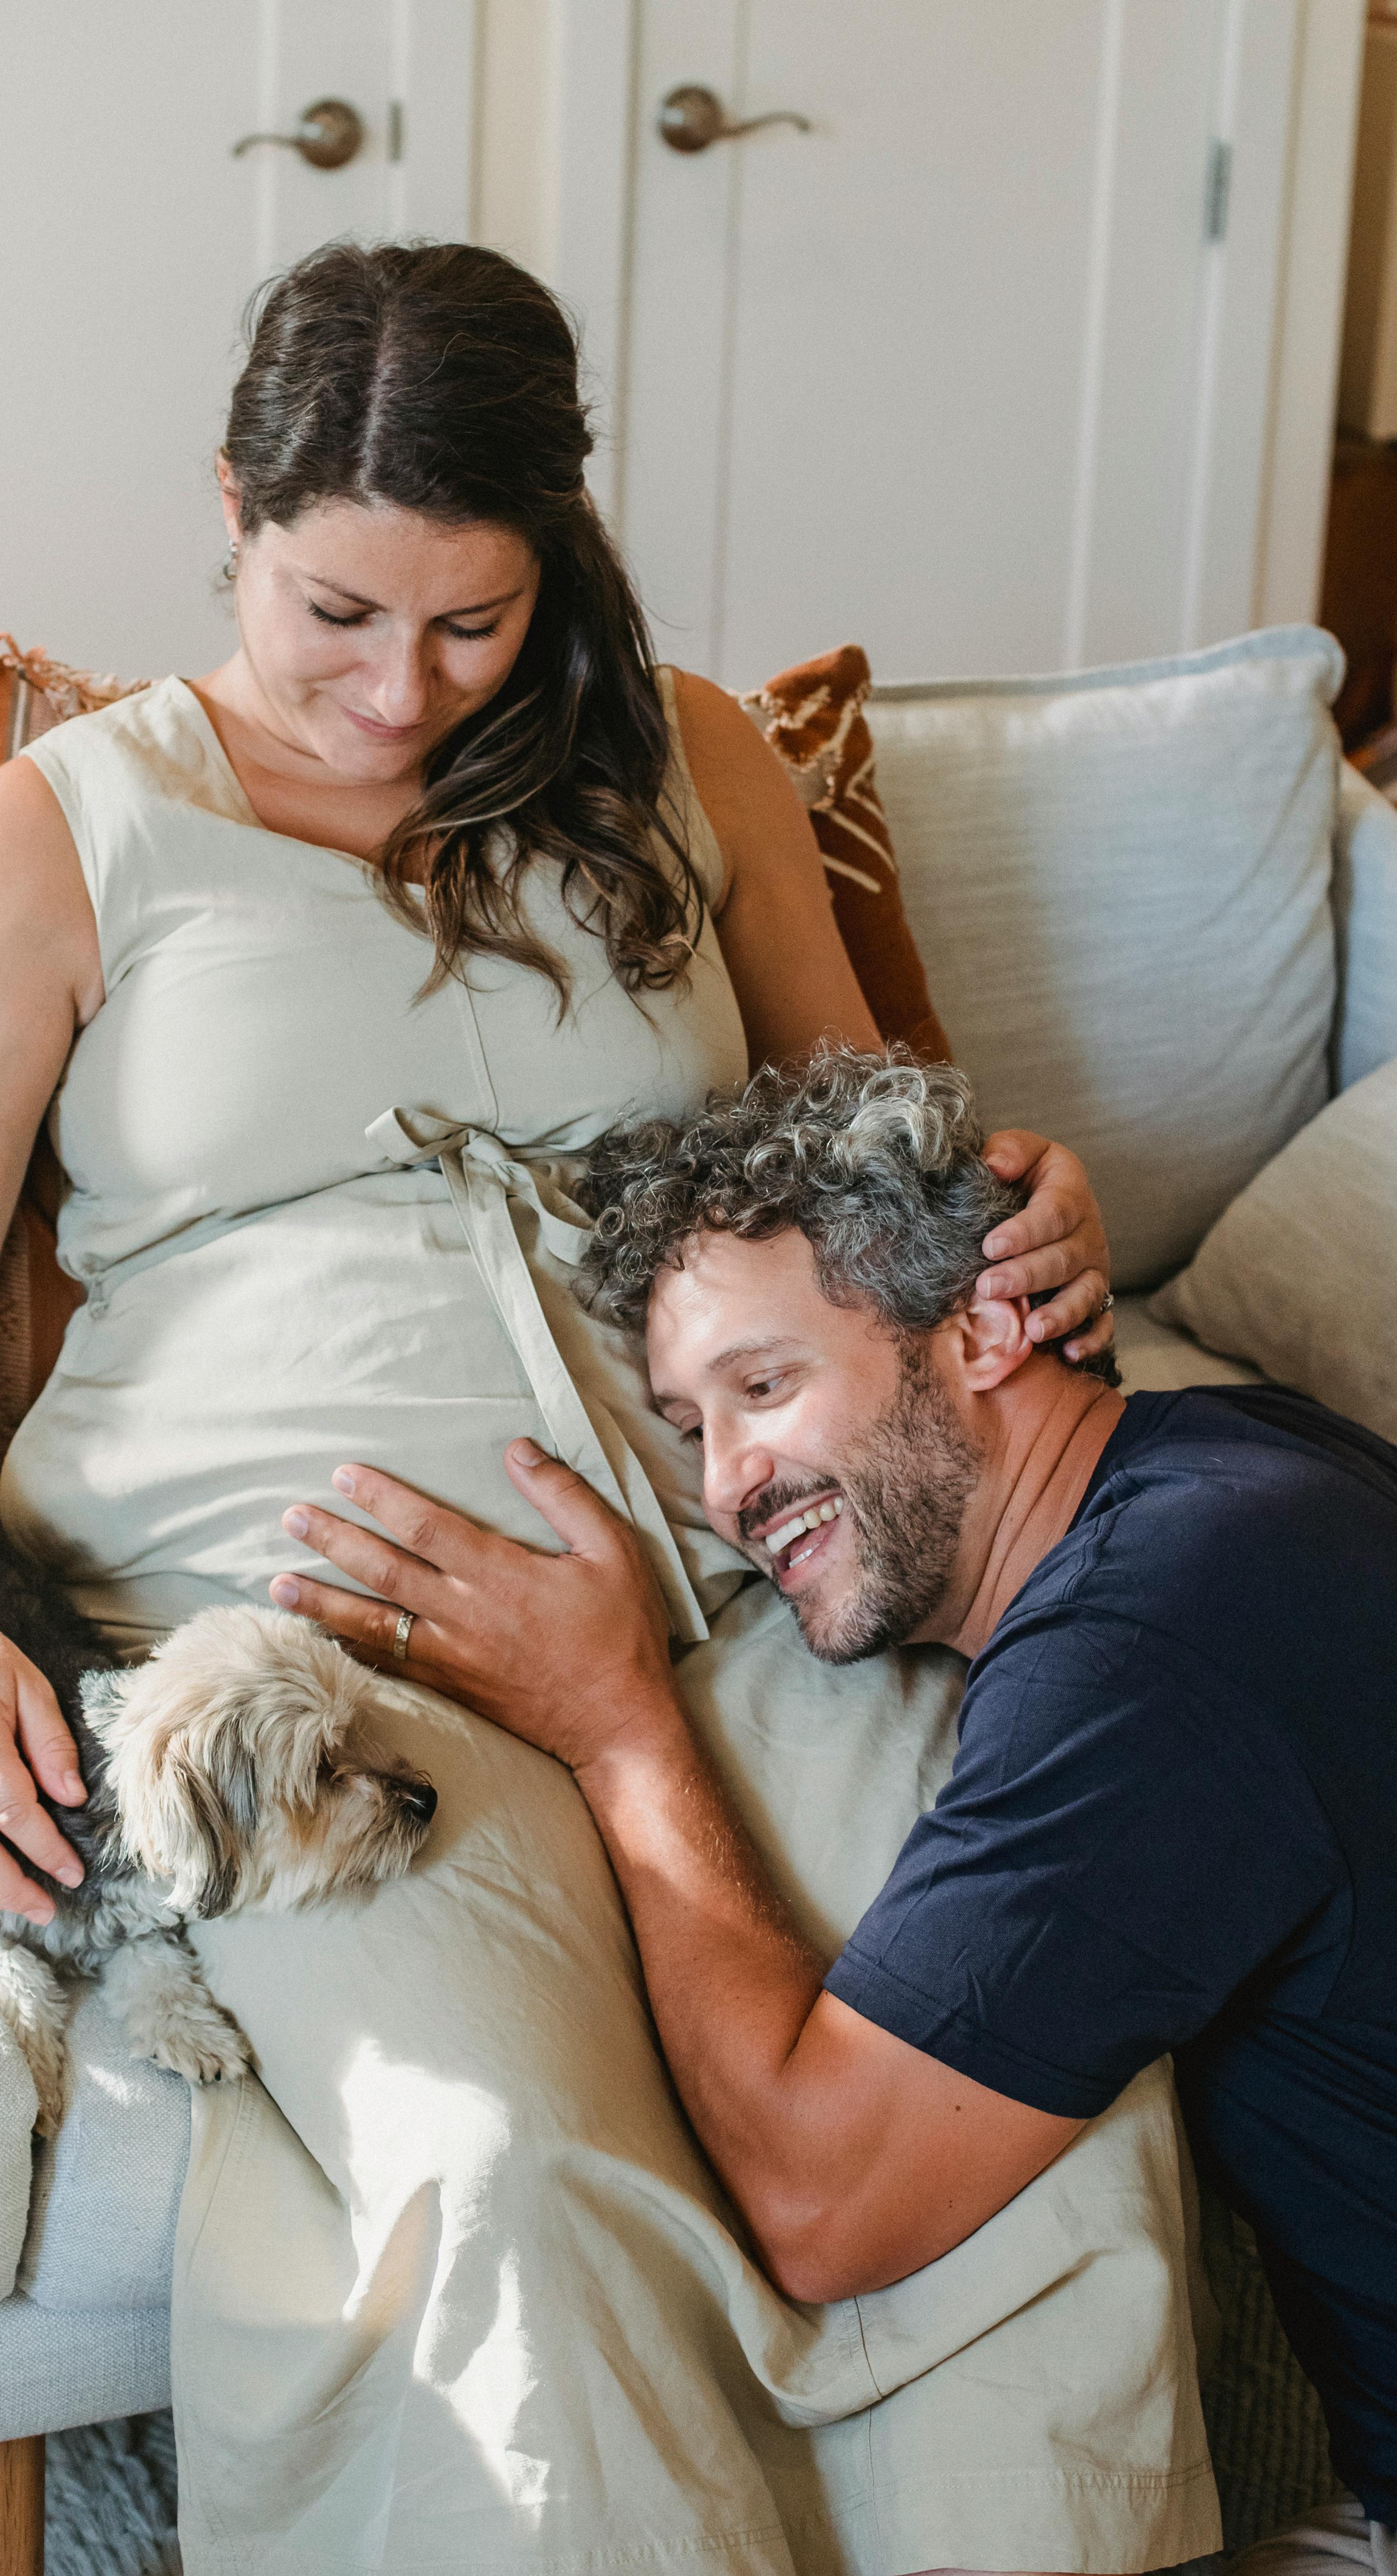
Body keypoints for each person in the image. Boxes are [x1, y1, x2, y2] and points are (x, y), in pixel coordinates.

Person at [0, 241, 1209, 2575]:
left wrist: (1013, 1189)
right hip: (326, 1665)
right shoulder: (64, 835)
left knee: (1013, 2105)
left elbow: (870, 1140)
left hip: (751, 1590)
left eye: (470, 624)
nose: (395, 690)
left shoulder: (686, 760)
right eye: (334, 613)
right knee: (510, 2174)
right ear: (230, 513)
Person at [279, 1045, 1397, 2576]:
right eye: (691, 1428)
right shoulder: (1247, 1463)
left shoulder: (1148, 1650)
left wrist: (621, 1732)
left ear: (985, 1327)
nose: (728, 1486)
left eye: (767, 1385)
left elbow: (824, 2200)